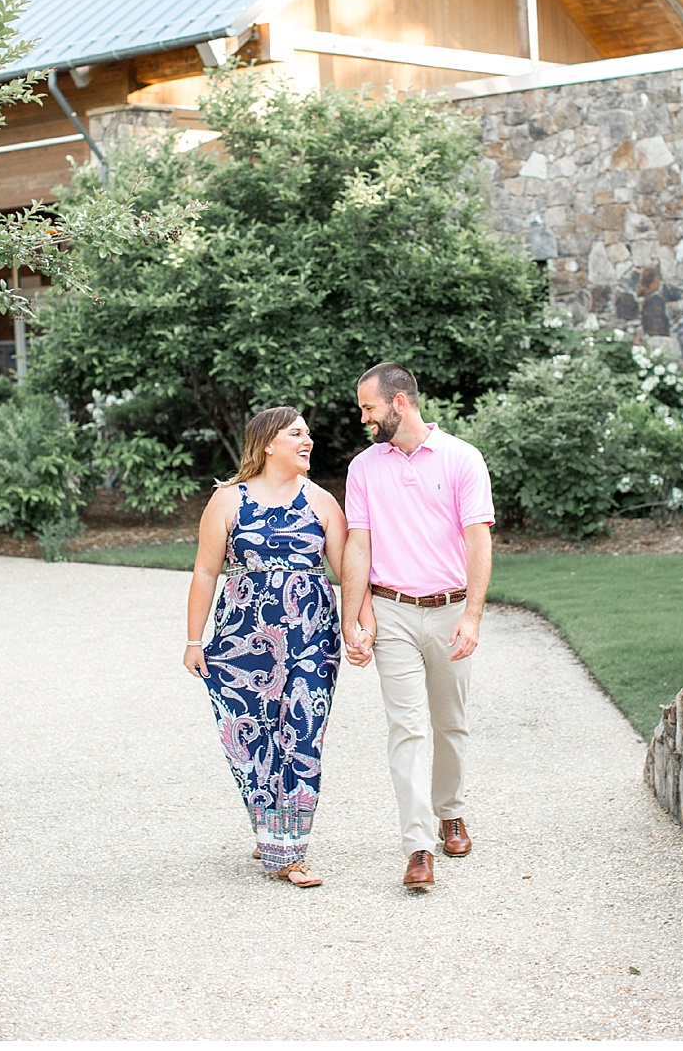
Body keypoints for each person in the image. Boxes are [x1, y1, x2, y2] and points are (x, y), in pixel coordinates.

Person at [339, 361, 494, 892]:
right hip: (394, 614)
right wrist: (352, 621)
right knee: (407, 728)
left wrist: (472, 615)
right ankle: (418, 846)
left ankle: (451, 811)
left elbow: (478, 539)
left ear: (399, 402)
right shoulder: (363, 468)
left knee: (450, 722)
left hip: (451, 611)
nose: (362, 417)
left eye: (368, 407)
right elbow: (357, 545)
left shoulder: (461, 458)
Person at [184, 406, 348, 887]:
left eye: (308, 433)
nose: (308, 440)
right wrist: (194, 640)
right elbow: (205, 572)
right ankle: (270, 827)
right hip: (240, 644)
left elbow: (349, 571)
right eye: (296, 433)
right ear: (268, 443)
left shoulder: (321, 502)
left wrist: (362, 625)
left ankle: (289, 852)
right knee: (251, 738)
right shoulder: (228, 501)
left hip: (311, 640)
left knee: (302, 735)